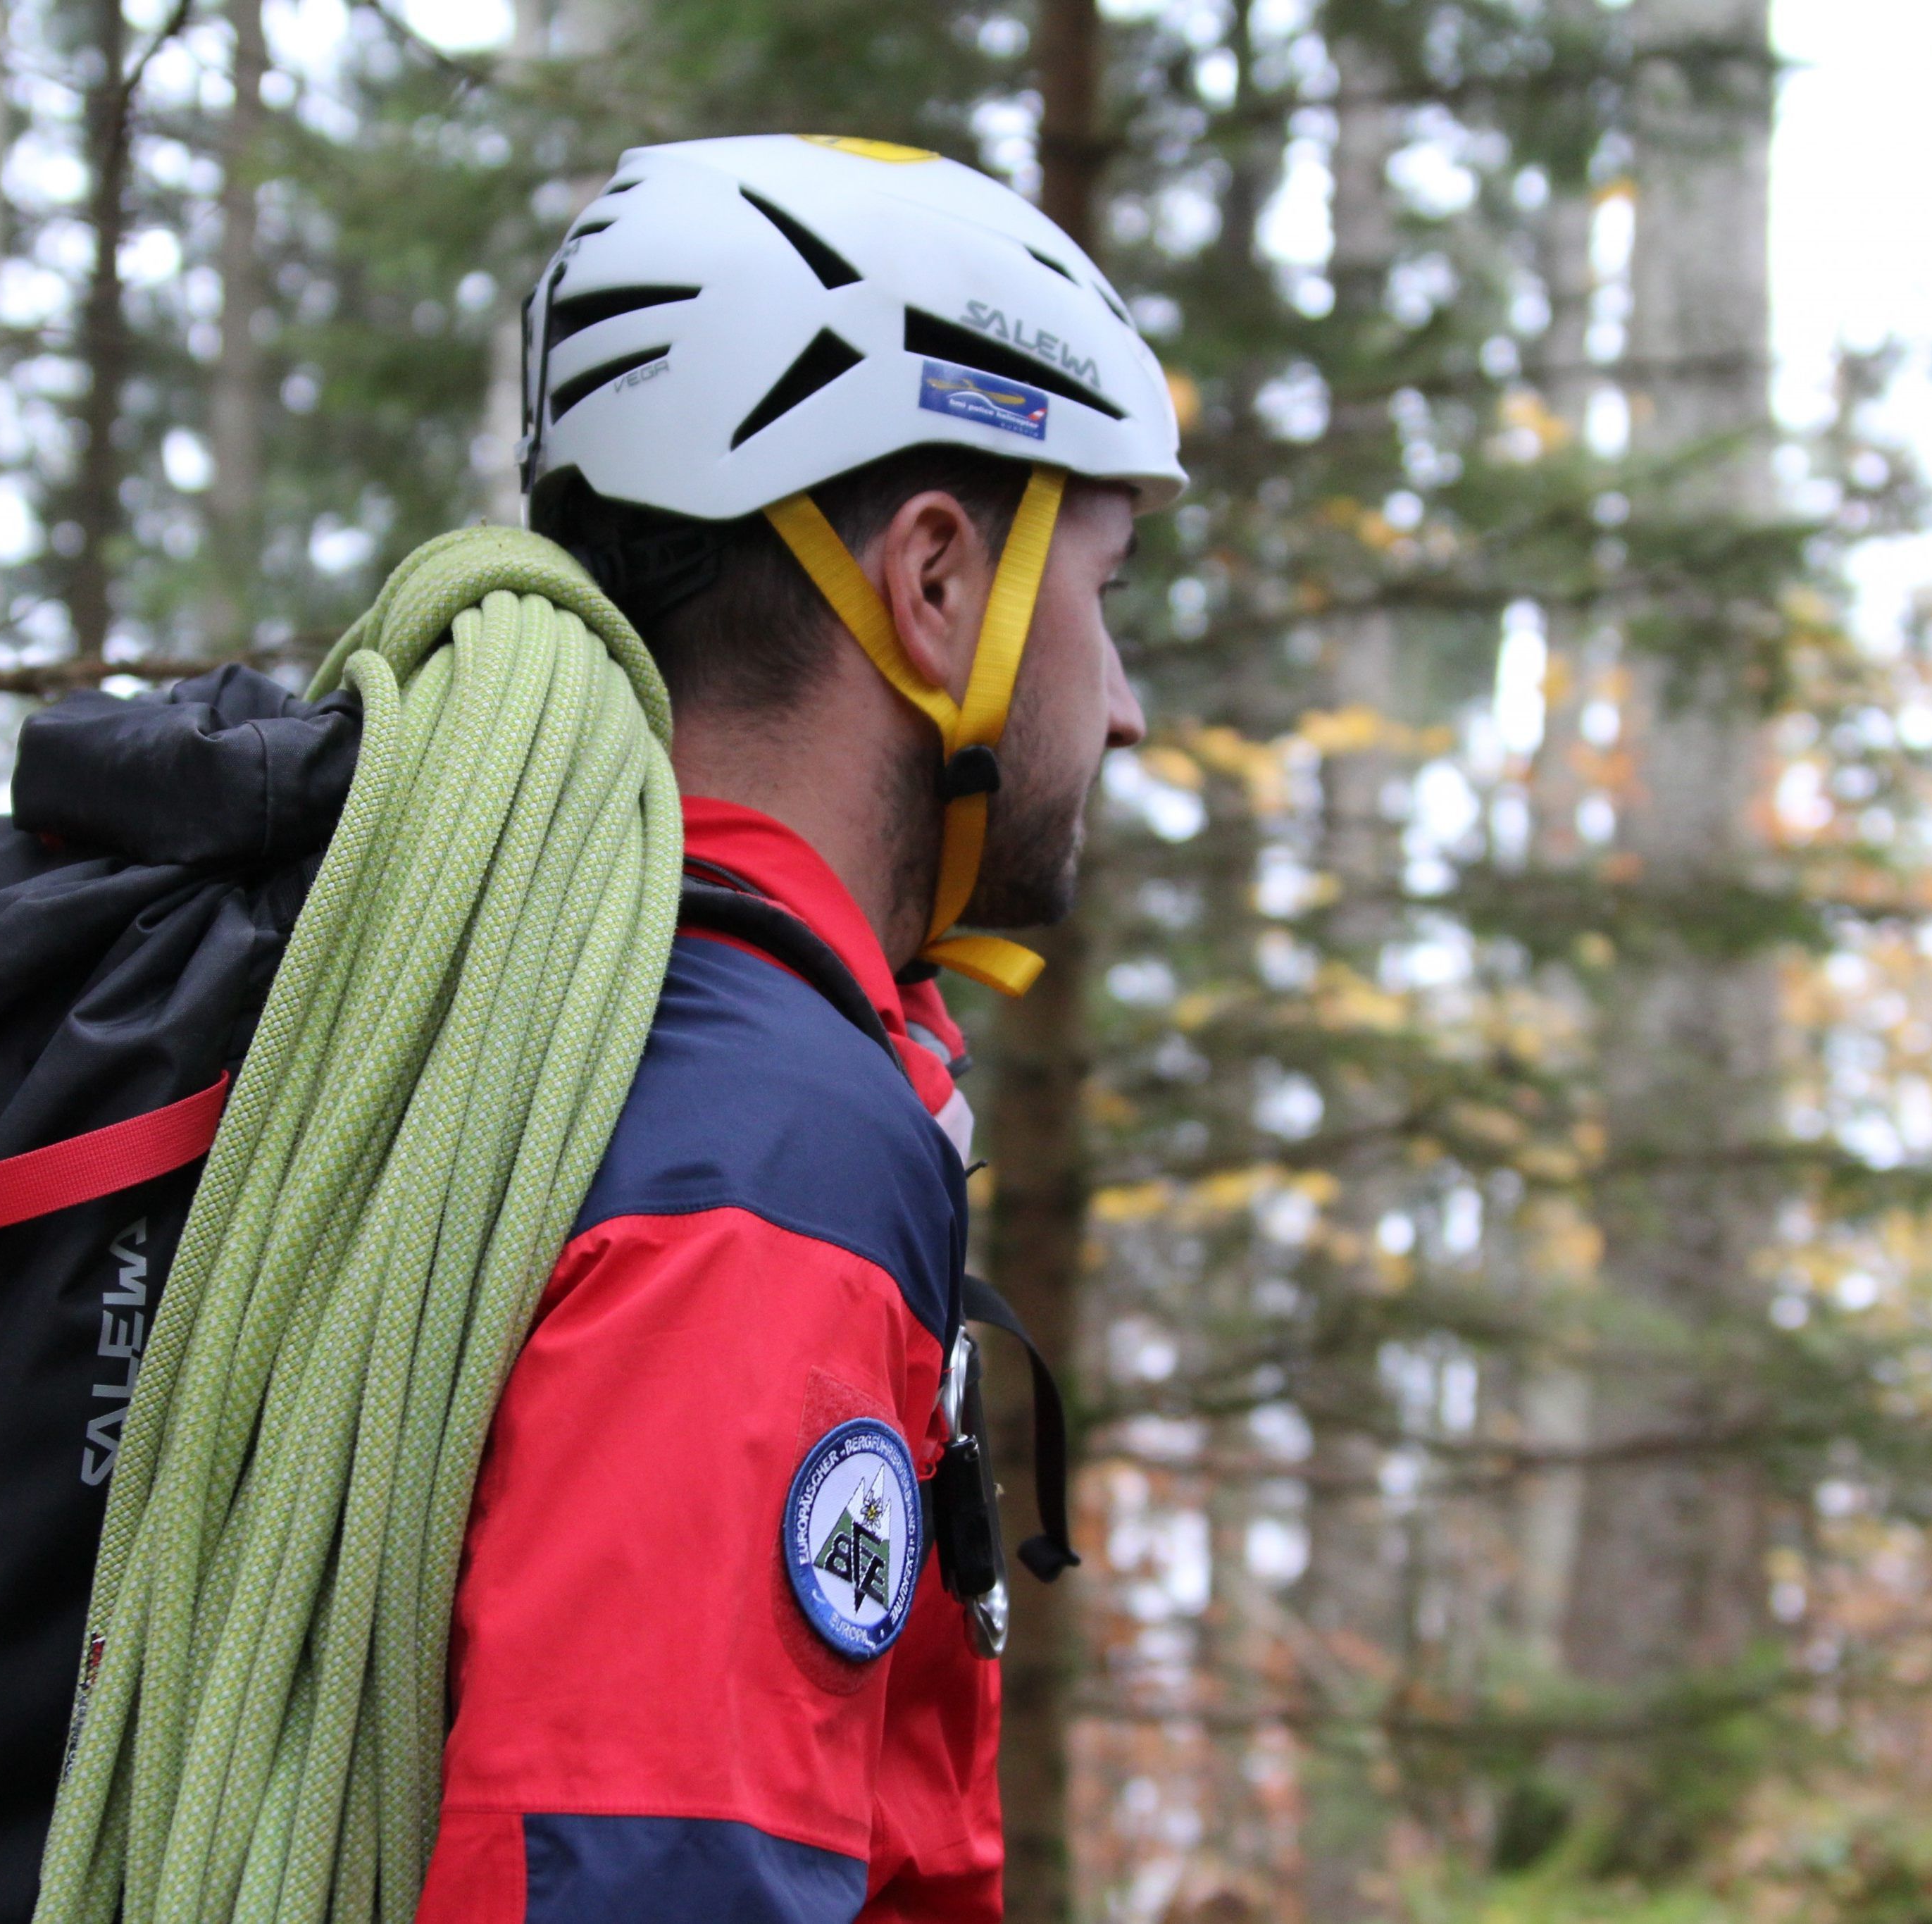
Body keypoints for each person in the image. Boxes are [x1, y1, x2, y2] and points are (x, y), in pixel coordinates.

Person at [414, 132, 1183, 1923]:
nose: (1127, 707)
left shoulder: (525, 1004)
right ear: (934, 586)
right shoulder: (758, 1156)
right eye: (1104, 592)